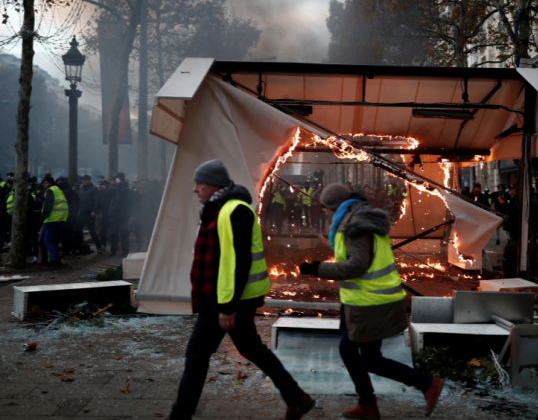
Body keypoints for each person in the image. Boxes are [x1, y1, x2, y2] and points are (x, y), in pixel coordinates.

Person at [167, 159, 314, 420]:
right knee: (250, 349)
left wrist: (227, 307)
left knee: (197, 354)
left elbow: (238, 262)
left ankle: (180, 416)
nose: (195, 189)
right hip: (225, 297)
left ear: (214, 185)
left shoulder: (234, 211)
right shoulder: (218, 209)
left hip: (226, 300)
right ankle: (297, 398)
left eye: (199, 183)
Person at [298, 183, 444, 418]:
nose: (324, 213)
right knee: (349, 351)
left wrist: (317, 269)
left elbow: (356, 265)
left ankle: (427, 384)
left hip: (371, 303)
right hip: (366, 300)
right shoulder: (362, 219)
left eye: (325, 208)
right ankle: (367, 403)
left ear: (335, 207)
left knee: (371, 361)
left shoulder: (355, 226)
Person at [35, 176, 68, 269]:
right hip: (57, 218)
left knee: (48, 241)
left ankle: (55, 260)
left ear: (49, 182)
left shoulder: (51, 190)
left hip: (52, 218)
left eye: (45, 182)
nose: (43, 184)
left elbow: (47, 206)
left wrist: (42, 218)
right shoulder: (57, 189)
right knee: (42, 241)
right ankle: (45, 260)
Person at [77, 175, 104, 254]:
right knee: (78, 229)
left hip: (89, 213)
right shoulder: (81, 189)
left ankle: (99, 247)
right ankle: (79, 246)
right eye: (83, 179)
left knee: (92, 231)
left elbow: (96, 200)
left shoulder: (93, 189)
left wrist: (94, 211)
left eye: (85, 179)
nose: (83, 181)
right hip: (82, 212)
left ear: (89, 180)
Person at [108, 172, 131, 258]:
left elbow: (123, 199)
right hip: (114, 213)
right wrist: (111, 187)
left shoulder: (125, 187)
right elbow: (108, 196)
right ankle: (113, 250)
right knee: (113, 233)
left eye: (117, 178)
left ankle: (125, 251)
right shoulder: (115, 186)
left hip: (123, 213)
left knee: (124, 233)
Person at [56, 177, 80, 258]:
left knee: (64, 235)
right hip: (73, 216)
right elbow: (78, 204)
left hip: (65, 216)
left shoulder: (63, 194)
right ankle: (73, 250)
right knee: (68, 234)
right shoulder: (74, 193)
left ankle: (67, 251)